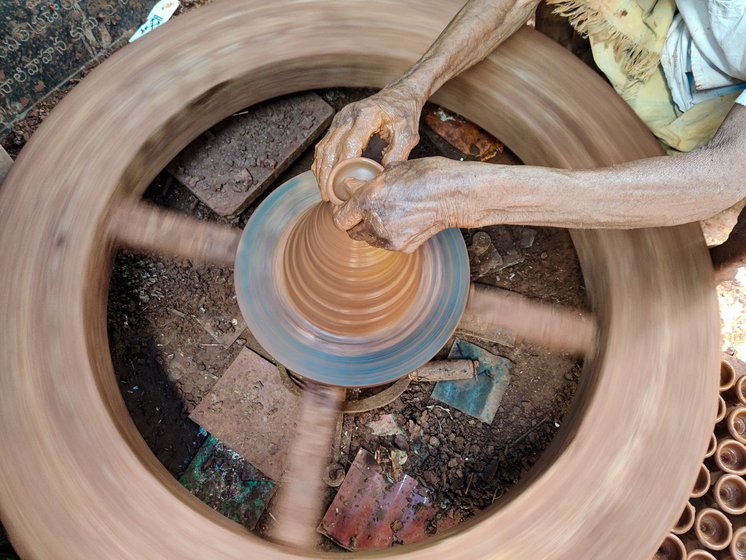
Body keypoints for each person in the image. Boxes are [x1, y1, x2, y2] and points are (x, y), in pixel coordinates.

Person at [311, 0, 746, 280]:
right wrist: (410, 88)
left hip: (722, 108)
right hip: (673, 15)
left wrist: (464, 197)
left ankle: (715, 268)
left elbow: (725, 171)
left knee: (685, 226)